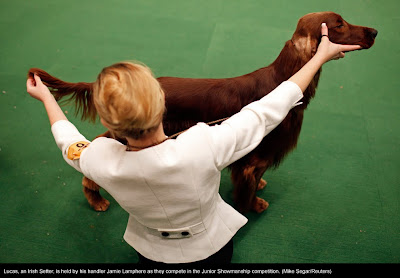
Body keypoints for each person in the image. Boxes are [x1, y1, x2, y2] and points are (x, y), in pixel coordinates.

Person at [26, 24, 360, 265]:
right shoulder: (205, 144)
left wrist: (47, 99)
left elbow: (68, 141)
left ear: (107, 125)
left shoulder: (98, 159)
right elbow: (267, 111)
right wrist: (319, 58)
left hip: (149, 253)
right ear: (162, 104)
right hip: (211, 249)